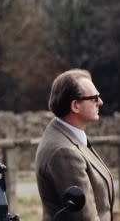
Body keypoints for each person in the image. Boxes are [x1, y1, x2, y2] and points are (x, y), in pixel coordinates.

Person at [35, 69, 115, 221]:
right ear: (75, 106)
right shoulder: (64, 151)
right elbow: (85, 218)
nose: (100, 102)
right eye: (94, 98)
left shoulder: (69, 135)